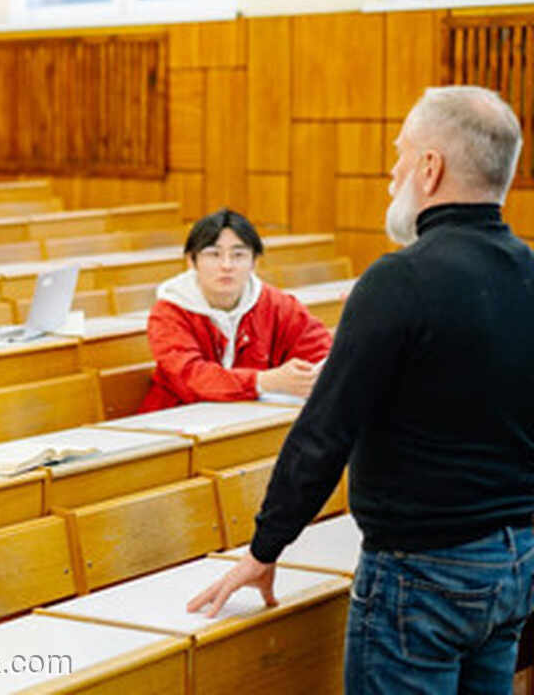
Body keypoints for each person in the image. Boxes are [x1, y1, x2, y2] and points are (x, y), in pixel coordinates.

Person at [188, 86, 534, 694]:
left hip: (422, 571)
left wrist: (264, 549)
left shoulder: (400, 279)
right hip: (516, 561)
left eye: (401, 155)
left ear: (430, 168)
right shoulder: (529, 272)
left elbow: (325, 432)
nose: (392, 173)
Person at [139, 208, 332, 412]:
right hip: (178, 416)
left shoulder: (277, 304)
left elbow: (320, 352)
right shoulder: (169, 312)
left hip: (249, 416)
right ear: (191, 261)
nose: (226, 265)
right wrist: (263, 381)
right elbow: (190, 377)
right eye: (214, 254)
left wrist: (308, 377)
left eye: (238, 255)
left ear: (254, 262)